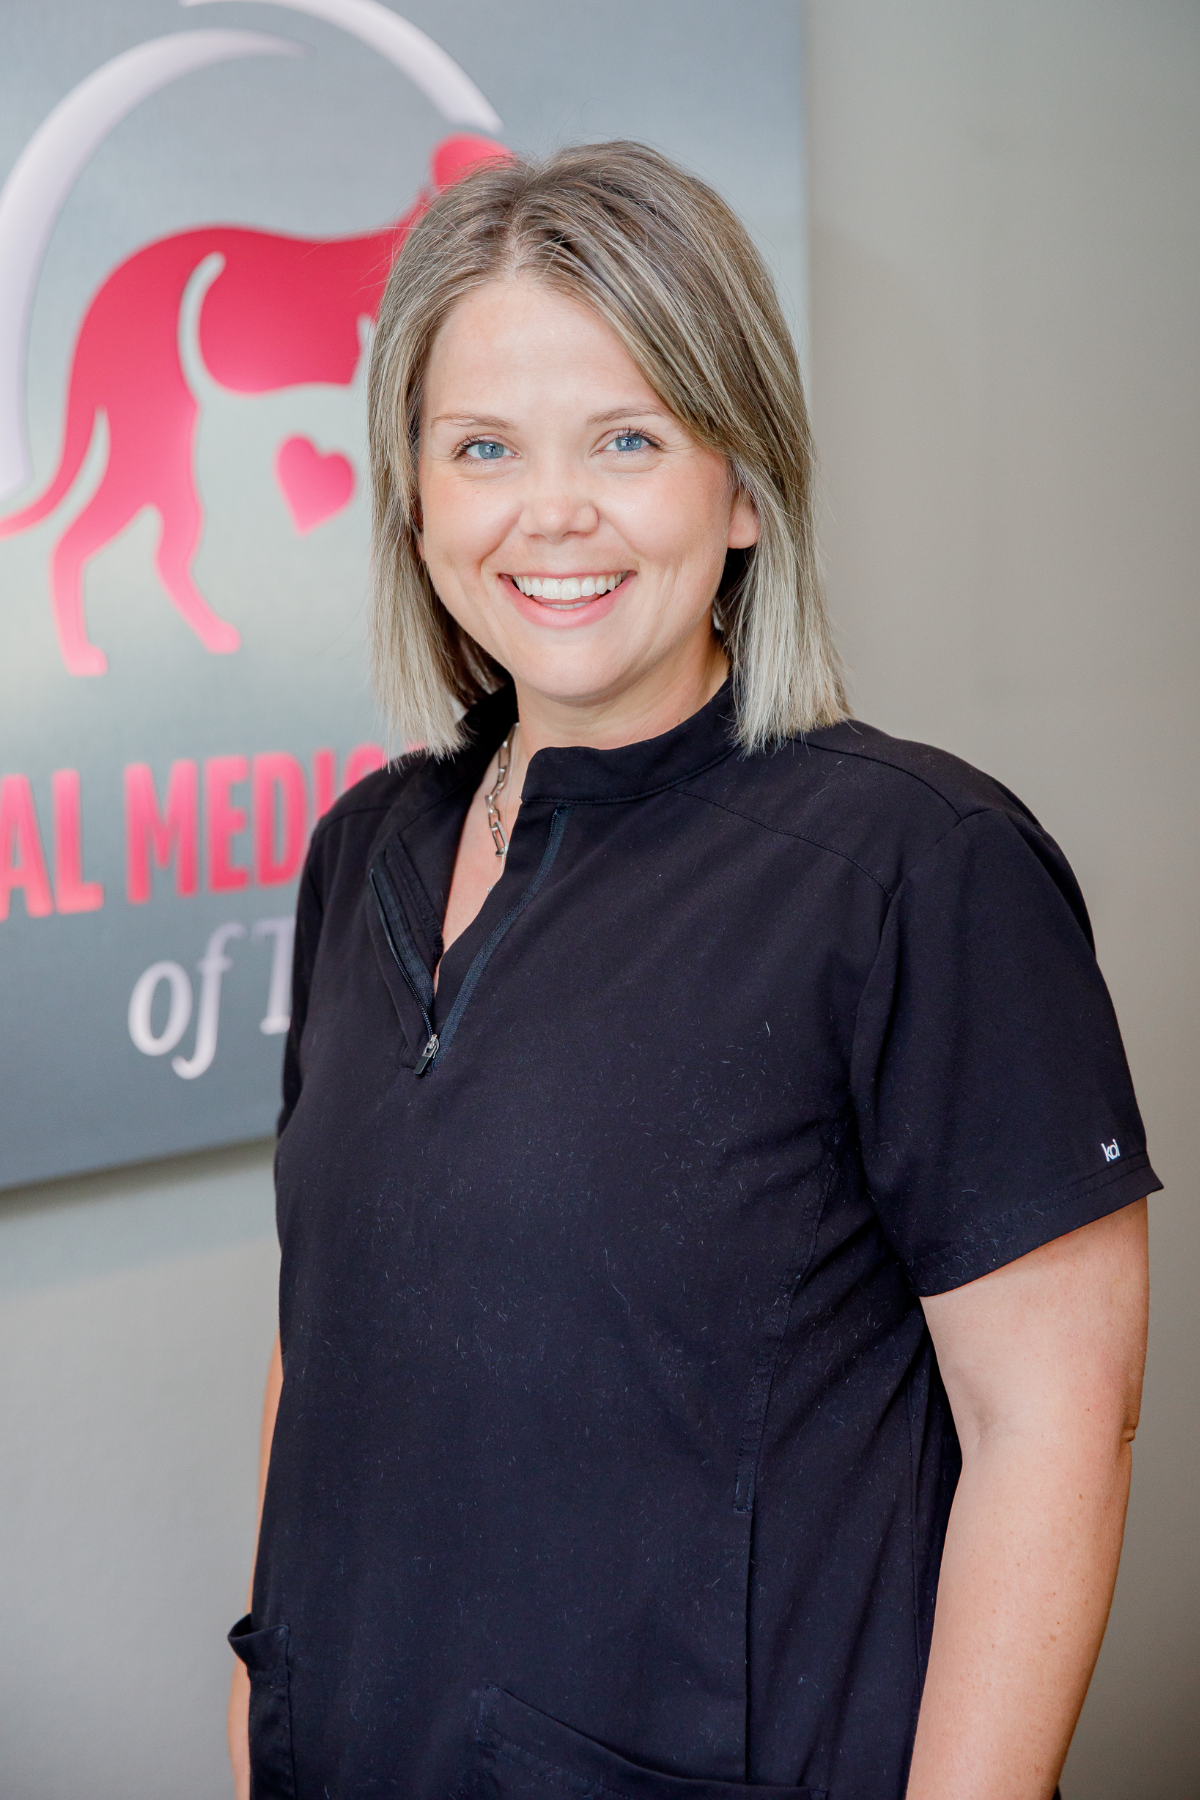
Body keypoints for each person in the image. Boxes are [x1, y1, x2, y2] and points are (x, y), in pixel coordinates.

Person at [227, 142, 1157, 1800]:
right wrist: (263, 1714)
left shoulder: (916, 869)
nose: (552, 510)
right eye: (485, 448)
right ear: (418, 498)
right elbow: (321, 1357)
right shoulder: (366, 850)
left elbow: (1054, 1435)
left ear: (742, 488)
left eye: (629, 439)